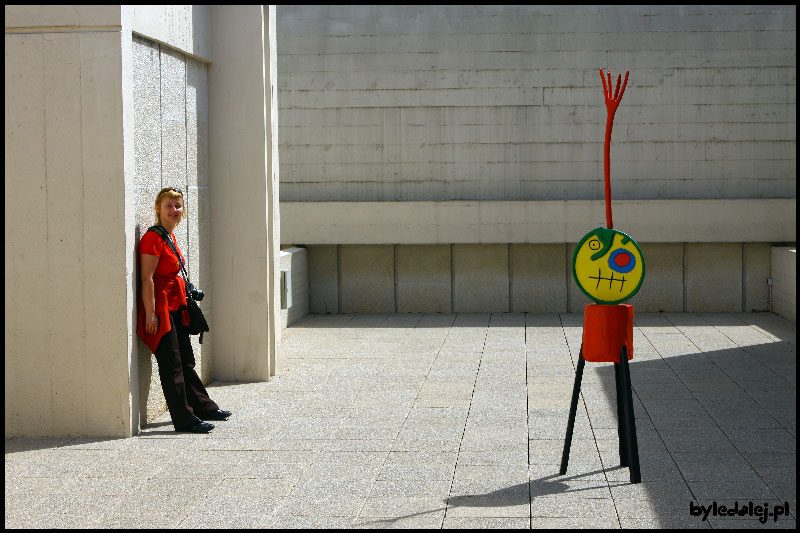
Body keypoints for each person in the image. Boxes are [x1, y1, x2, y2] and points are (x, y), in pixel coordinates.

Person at [136, 187, 231, 433]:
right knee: (172, 365)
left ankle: (203, 407)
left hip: (175, 305)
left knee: (186, 361)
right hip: (160, 309)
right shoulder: (152, 238)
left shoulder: (168, 236)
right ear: (158, 208)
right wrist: (151, 314)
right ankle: (184, 419)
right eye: (169, 205)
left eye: (178, 206)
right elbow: (147, 279)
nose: (174, 210)